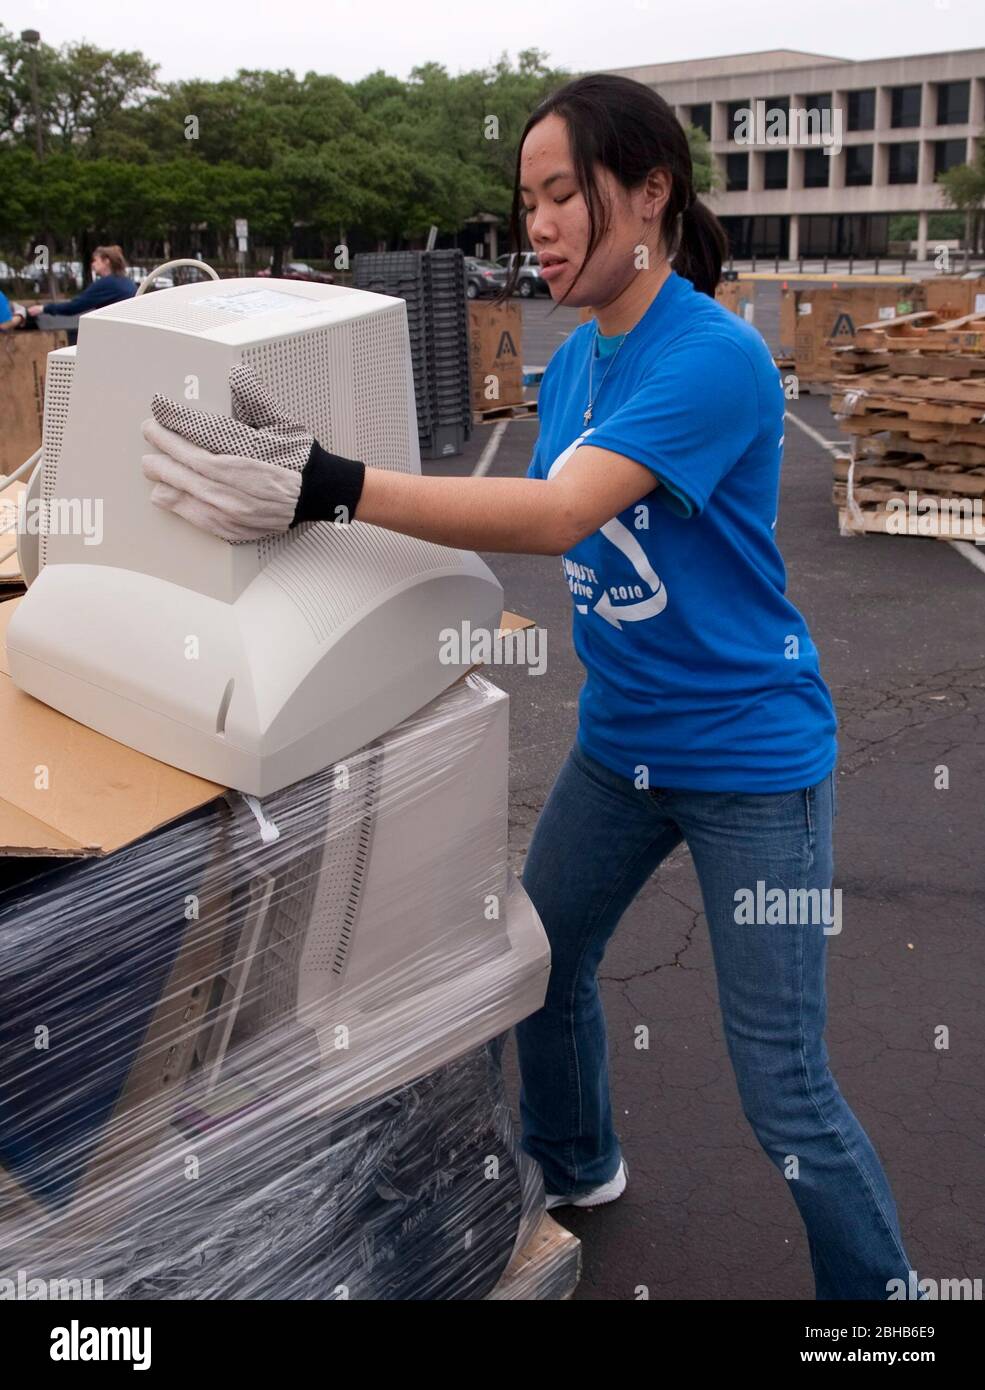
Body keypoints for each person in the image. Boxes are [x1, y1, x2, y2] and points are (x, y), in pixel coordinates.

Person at [137, 74, 920, 1301]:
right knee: (538, 959)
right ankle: (576, 1159)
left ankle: (883, 1312)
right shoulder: (576, 364)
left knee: (783, 1085)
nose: (538, 226)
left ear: (649, 193)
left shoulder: (712, 359)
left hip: (749, 760)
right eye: (527, 201)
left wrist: (326, 483)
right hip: (621, 746)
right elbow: (553, 530)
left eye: (564, 195)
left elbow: (557, 513)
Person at [27, 245, 136, 343]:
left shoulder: (107, 283)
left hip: (113, 337)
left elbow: (74, 306)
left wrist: (43, 309)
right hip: (128, 334)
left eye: (95, 260)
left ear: (107, 261)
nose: (92, 264)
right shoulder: (128, 282)